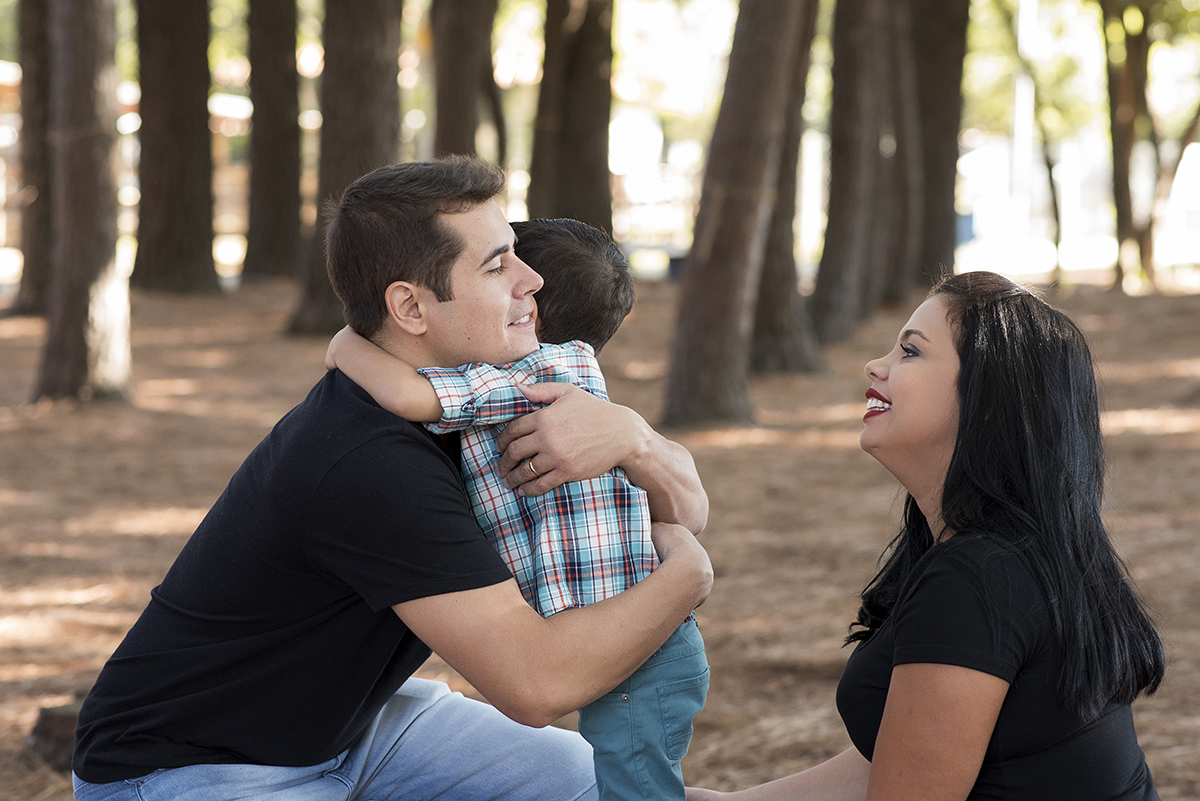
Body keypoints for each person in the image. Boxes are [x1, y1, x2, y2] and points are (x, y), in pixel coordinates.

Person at [71, 157, 713, 801]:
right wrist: (687, 577)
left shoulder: (490, 399)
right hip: (188, 766)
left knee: (595, 786)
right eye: (497, 266)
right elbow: (538, 685)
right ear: (409, 307)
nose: (534, 280)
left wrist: (632, 438)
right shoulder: (372, 459)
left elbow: (685, 507)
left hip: (356, 728)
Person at [687, 271, 1165, 801]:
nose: (876, 365)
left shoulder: (979, 578)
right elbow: (905, 759)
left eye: (910, 352)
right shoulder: (1001, 553)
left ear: (988, 400)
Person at [324, 216, 708, 801]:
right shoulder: (578, 377)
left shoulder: (523, 381)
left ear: (526, 311)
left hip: (634, 644)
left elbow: (406, 394)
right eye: (494, 267)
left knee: (634, 789)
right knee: (628, 781)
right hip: (638, 641)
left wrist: (347, 341)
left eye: (502, 270)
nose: (510, 279)